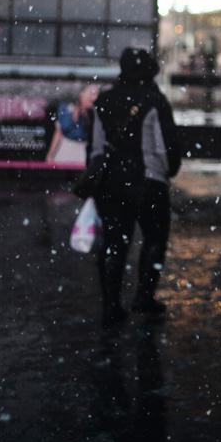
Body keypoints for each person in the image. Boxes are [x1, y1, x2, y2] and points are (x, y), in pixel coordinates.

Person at [90, 48, 182, 328]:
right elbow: (167, 147)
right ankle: (144, 297)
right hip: (149, 182)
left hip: (110, 184)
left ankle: (111, 306)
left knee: (114, 243)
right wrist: (168, 171)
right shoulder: (155, 100)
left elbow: (95, 146)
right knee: (154, 239)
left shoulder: (104, 100)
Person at [46, 84, 99, 164]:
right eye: (91, 93)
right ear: (82, 94)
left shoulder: (95, 112)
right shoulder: (67, 107)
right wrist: (50, 155)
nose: (94, 97)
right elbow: (59, 132)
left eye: (96, 94)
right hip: (66, 148)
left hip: (83, 150)